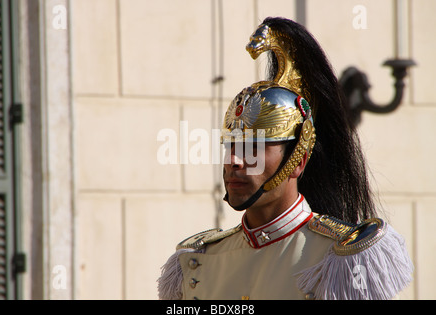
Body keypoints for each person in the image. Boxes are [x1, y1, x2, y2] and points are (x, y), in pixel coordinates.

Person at [157, 17, 413, 300]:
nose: (235, 161)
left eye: (254, 148)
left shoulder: (342, 259)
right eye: (231, 147)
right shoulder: (197, 261)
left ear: (299, 161)